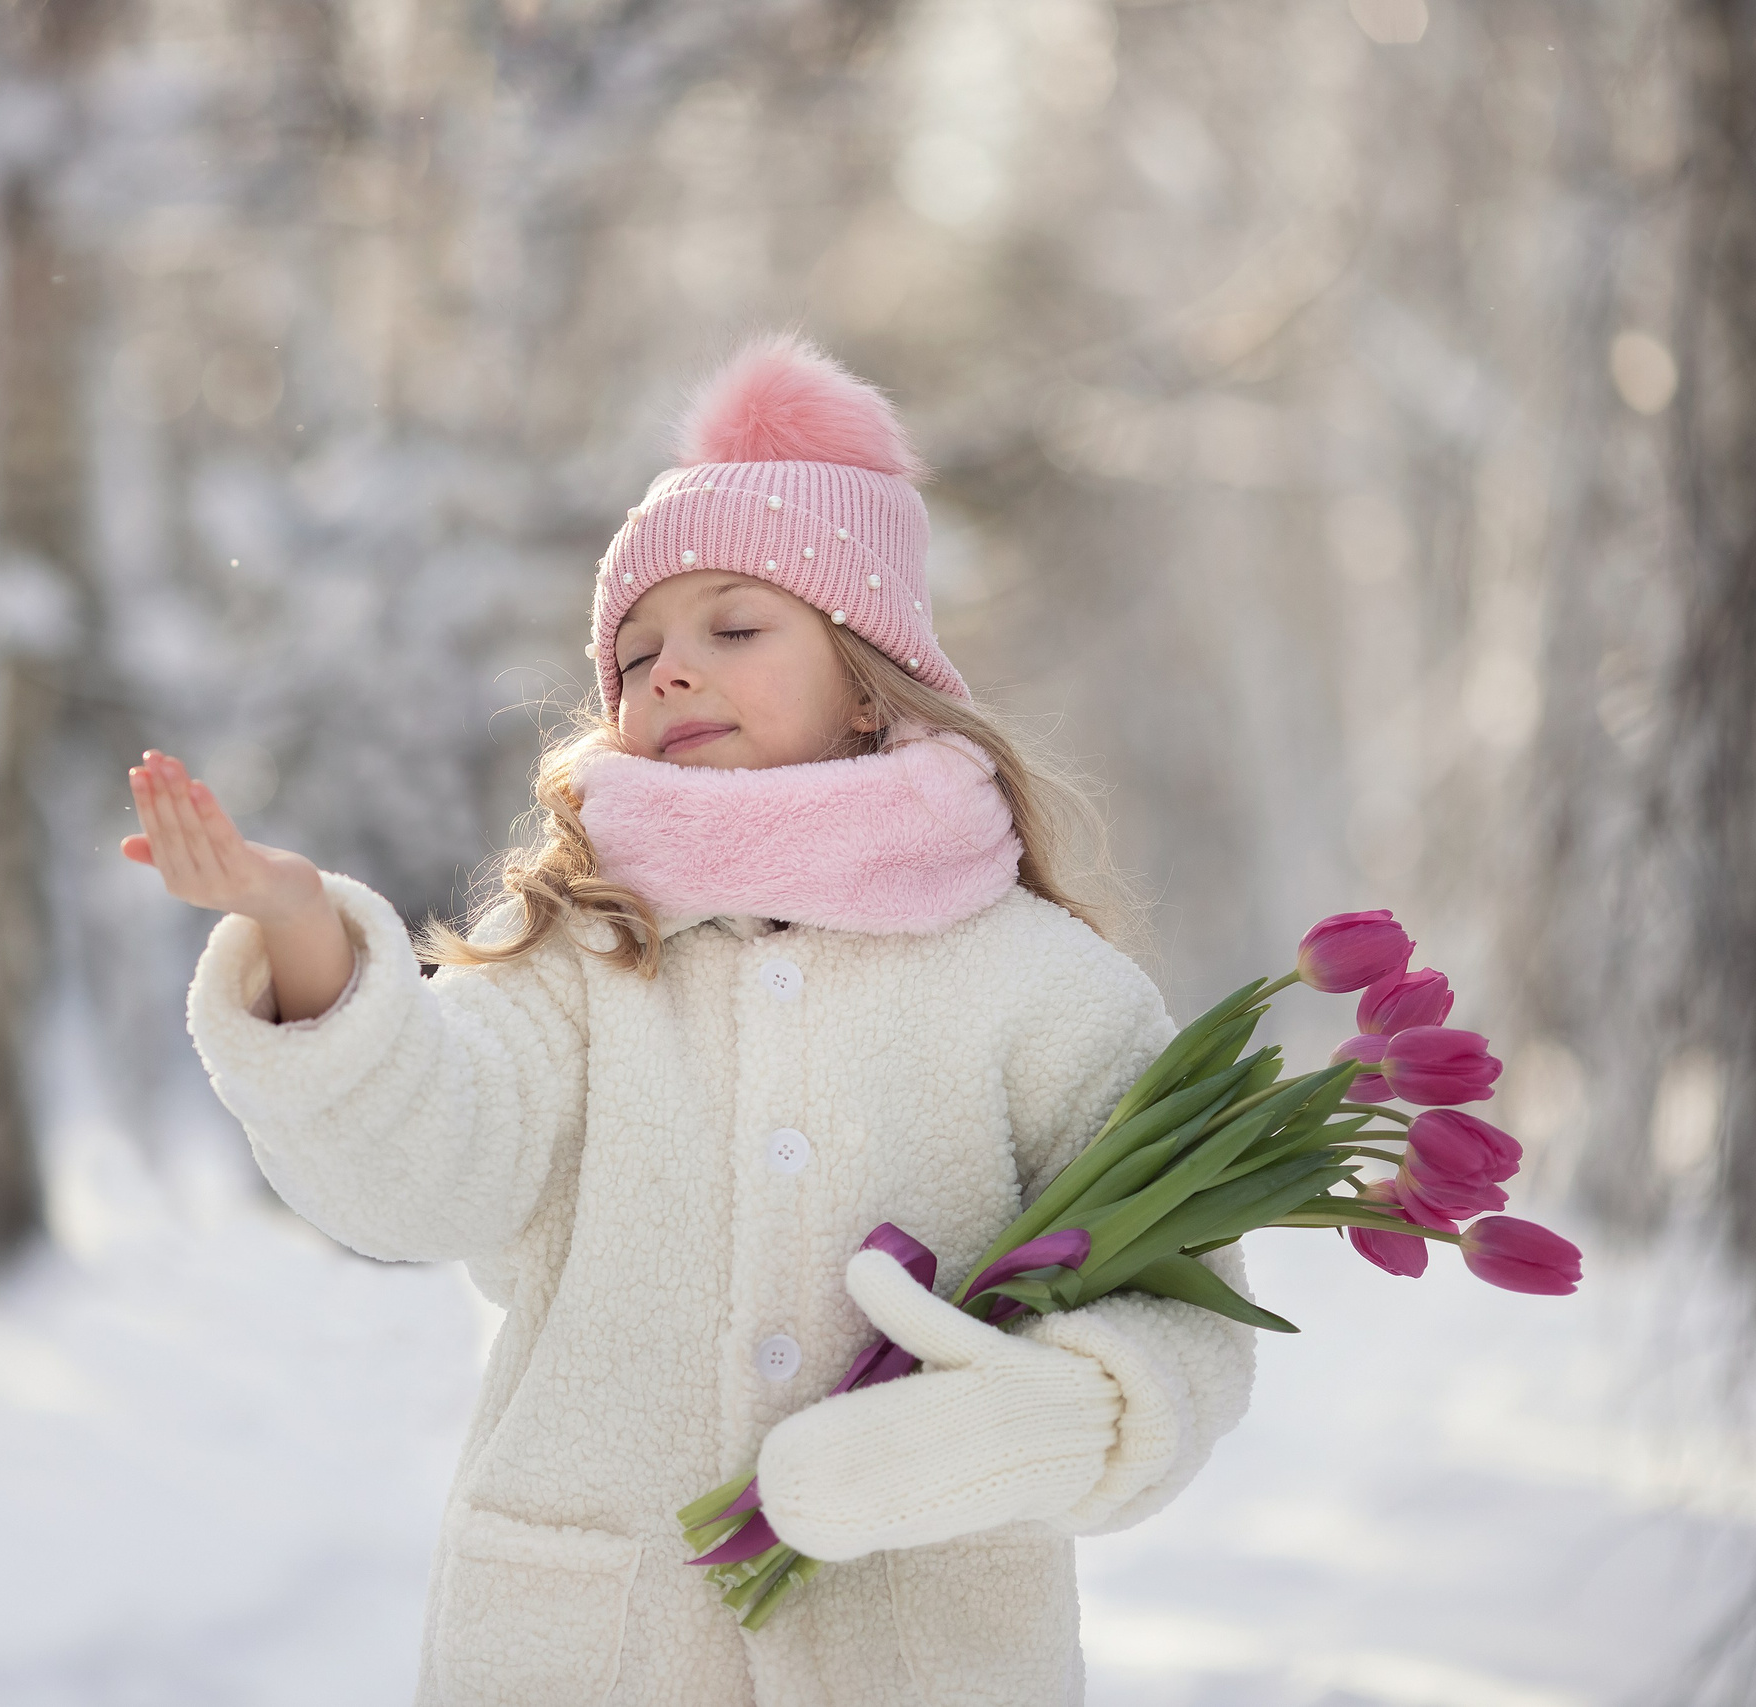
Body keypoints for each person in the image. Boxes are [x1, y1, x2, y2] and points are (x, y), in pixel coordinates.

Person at [123, 334, 1256, 1707]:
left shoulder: (1035, 985)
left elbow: (1190, 1312)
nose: (667, 671)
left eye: (735, 626)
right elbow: (422, 1177)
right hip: (588, 1656)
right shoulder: (581, 960)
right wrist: (305, 943)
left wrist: (1037, 1418)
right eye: (636, 651)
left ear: (865, 672)